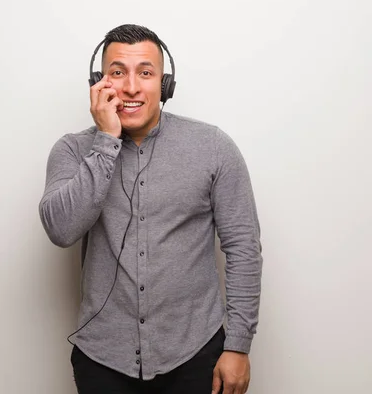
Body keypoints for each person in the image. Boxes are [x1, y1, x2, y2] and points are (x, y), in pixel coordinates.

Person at [39, 24, 263, 394]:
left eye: (145, 73)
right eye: (116, 73)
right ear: (99, 82)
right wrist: (106, 140)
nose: (130, 87)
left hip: (196, 354)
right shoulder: (72, 151)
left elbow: (243, 248)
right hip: (102, 359)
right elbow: (61, 230)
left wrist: (238, 344)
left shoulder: (214, 147)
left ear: (165, 84)